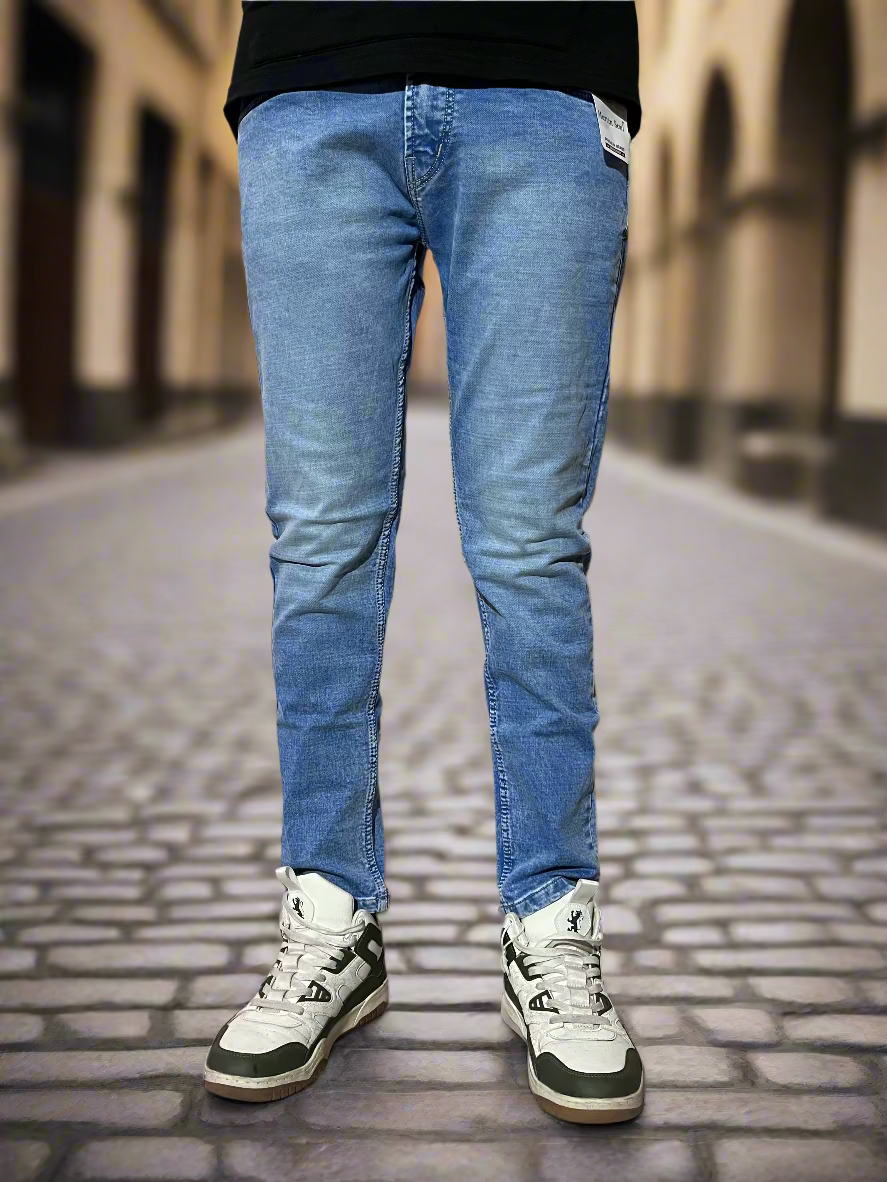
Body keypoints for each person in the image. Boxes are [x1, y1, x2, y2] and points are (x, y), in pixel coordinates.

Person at [203, 1, 644, 1124]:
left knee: (530, 546)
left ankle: (549, 929)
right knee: (319, 540)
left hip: (543, 87)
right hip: (310, 85)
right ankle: (330, 921)